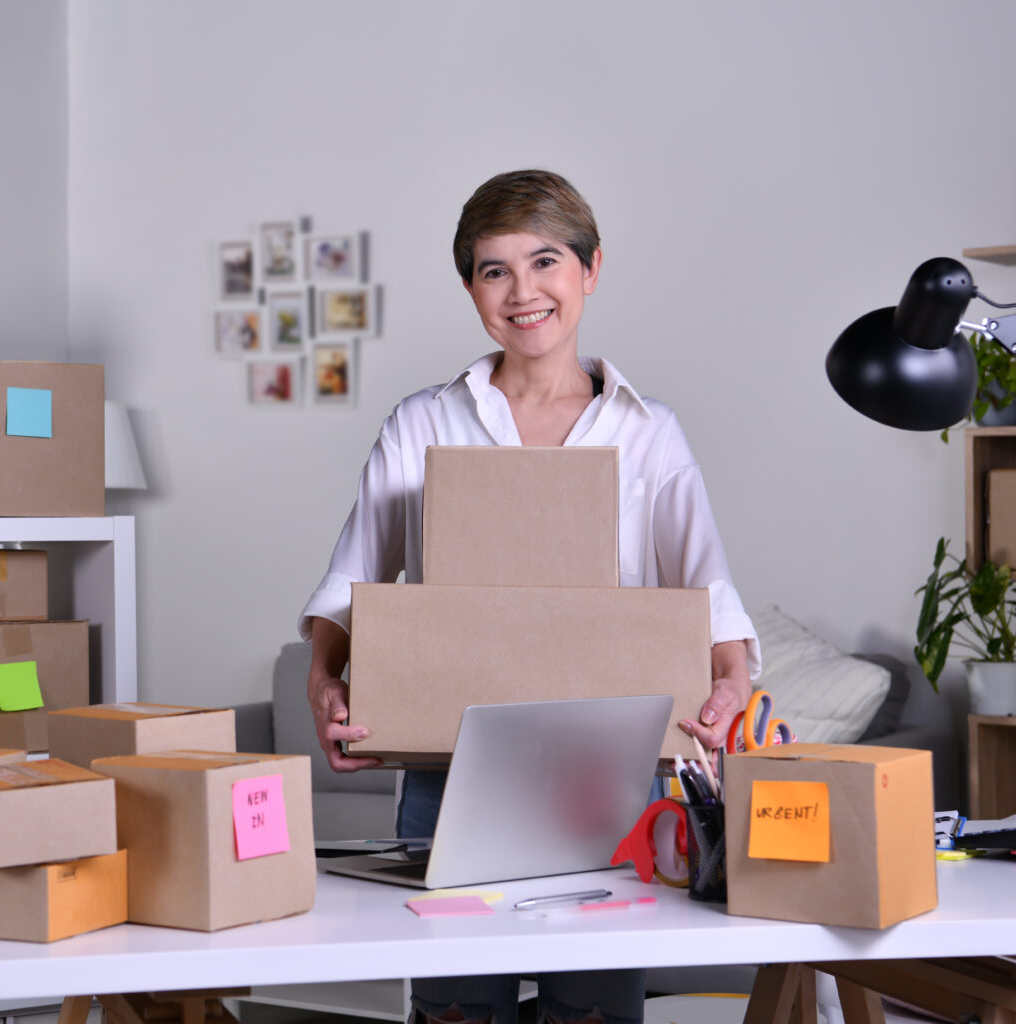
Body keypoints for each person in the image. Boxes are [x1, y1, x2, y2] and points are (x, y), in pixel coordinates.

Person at [296, 169, 761, 1024]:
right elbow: (348, 586)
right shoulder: (423, 424)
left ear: (590, 269)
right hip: (449, 765)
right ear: (471, 289)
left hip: (604, 772)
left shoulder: (649, 434)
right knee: (457, 1010)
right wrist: (324, 681)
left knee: (595, 1013)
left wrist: (730, 685)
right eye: (494, 270)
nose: (523, 292)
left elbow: (709, 590)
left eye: (545, 261)